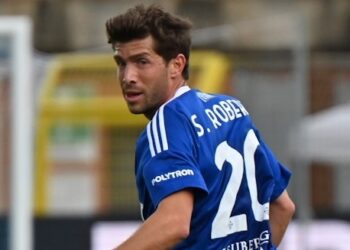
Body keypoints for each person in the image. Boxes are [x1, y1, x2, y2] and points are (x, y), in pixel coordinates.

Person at [105, 4, 295, 250]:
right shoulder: (231, 108)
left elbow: (174, 222)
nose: (128, 76)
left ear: (177, 65)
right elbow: (283, 207)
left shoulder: (167, 124)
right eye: (121, 63)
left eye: (142, 62)